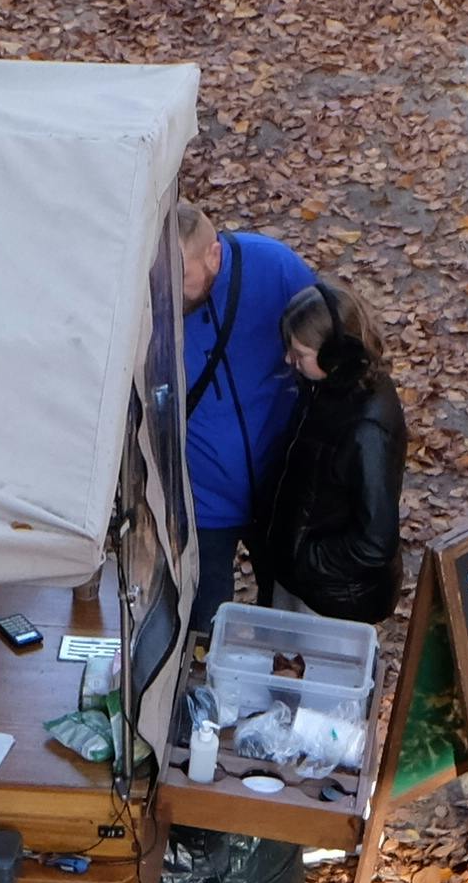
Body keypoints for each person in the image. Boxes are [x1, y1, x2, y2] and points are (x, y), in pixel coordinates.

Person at [165, 203, 319, 639]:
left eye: (180, 276)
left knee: (286, 626)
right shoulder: (151, 304)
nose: (167, 289)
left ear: (213, 256)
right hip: (204, 503)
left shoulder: (272, 267)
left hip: (279, 488)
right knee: (203, 626)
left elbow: (327, 335)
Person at [247, 280, 410, 624]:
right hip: (304, 580)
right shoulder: (326, 385)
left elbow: (375, 542)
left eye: (299, 353)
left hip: (329, 600)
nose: (288, 359)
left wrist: (303, 557)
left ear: (334, 353)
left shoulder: (367, 430)